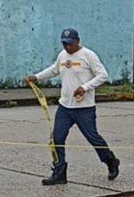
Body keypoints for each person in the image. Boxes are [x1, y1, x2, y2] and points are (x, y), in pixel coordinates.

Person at [26, 28, 119, 186]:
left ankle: (110, 161)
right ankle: (59, 172)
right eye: (64, 44)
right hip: (65, 107)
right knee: (57, 139)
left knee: (93, 137)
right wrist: (36, 77)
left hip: (84, 108)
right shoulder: (62, 55)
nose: (67, 47)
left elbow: (103, 75)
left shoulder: (88, 55)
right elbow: (54, 70)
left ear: (77, 41)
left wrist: (85, 87)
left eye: (70, 44)